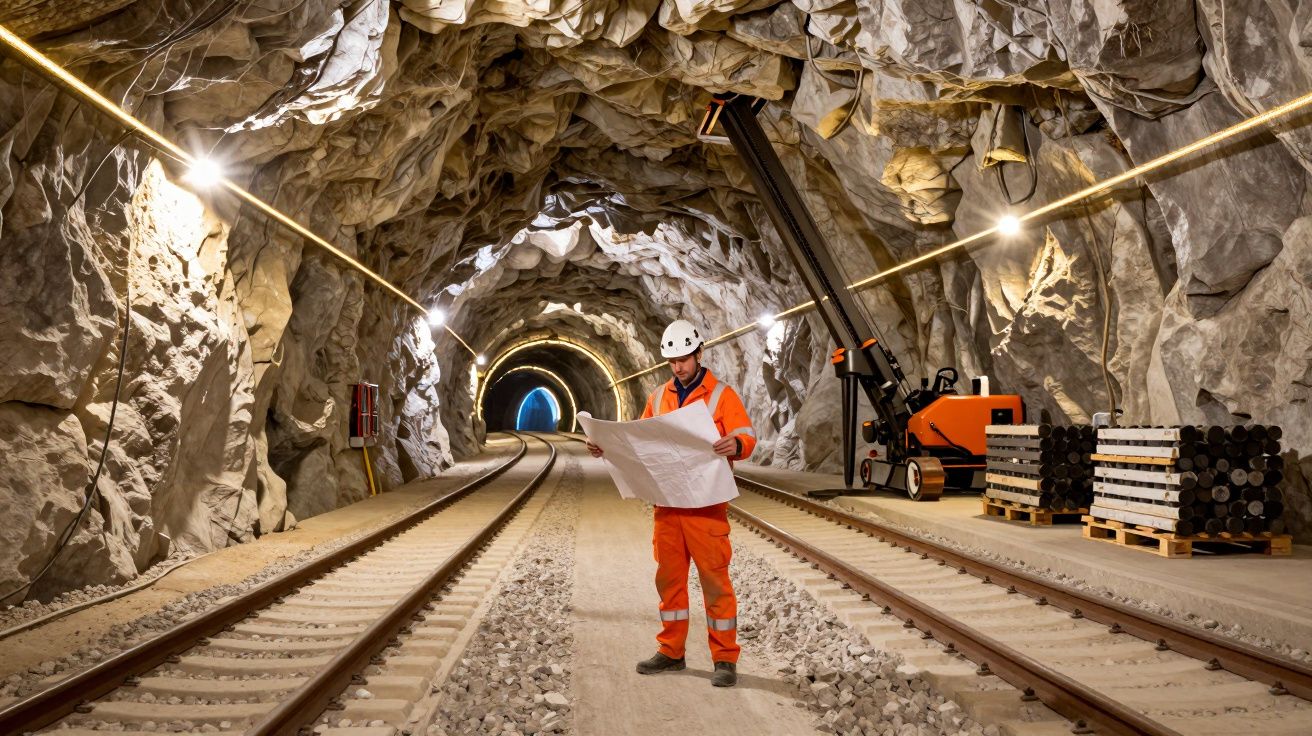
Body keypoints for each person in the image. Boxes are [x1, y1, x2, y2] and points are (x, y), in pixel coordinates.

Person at [586, 319, 756, 688]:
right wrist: (608, 447)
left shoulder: (721, 395)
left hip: (707, 508)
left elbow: (746, 433)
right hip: (668, 507)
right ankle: (672, 652)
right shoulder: (659, 396)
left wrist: (738, 445)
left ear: (698, 353)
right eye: (672, 361)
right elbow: (639, 441)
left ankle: (725, 658)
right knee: (670, 582)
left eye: (683, 359)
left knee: (715, 582)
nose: (678, 367)